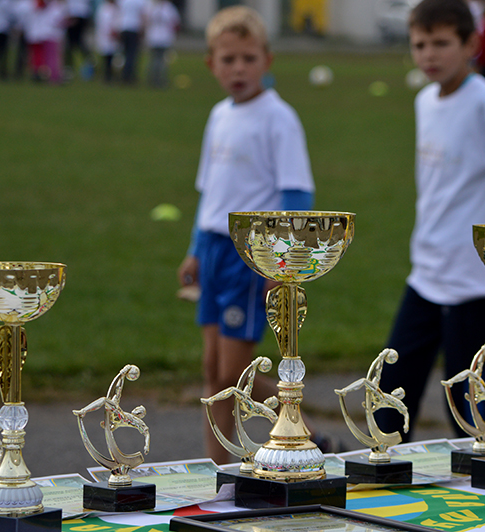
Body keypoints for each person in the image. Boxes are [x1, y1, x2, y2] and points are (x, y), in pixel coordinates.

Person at [374, 0, 485, 442]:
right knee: (389, 401)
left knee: (472, 414)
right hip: (425, 276)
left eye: (442, 43)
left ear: (471, 43)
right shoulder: (424, 101)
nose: (430, 54)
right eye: (420, 44)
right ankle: (385, 495)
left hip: (474, 285)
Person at [177, 6, 315, 465]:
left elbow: (297, 195)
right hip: (215, 251)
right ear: (211, 64)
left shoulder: (279, 119)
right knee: (213, 373)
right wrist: (196, 249)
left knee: (234, 375)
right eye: (228, 59)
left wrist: (285, 263)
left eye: (249, 58)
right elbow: (209, 191)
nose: (239, 69)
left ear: (267, 61)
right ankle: (220, 470)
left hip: (250, 255)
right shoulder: (218, 115)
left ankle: (303, 440)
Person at [142, 0, 179, 88]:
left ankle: (153, 79)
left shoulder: (152, 6)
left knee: (155, 59)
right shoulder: (169, 7)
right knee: (160, 60)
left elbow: (145, 20)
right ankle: (158, 80)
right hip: (162, 38)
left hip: (155, 38)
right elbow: (175, 22)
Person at [117, 0, 145, 84]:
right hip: (134, 28)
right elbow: (143, 15)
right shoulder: (140, 1)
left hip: (124, 27)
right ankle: (128, 76)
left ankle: (124, 74)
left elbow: (119, 13)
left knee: (125, 53)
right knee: (132, 54)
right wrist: (143, 29)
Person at [94, 0, 118, 83]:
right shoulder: (103, 9)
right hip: (106, 36)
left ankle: (109, 75)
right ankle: (107, 76)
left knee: (111, 57)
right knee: (106, 58)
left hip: (112, 36)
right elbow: (102, 23)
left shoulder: (114, 8)